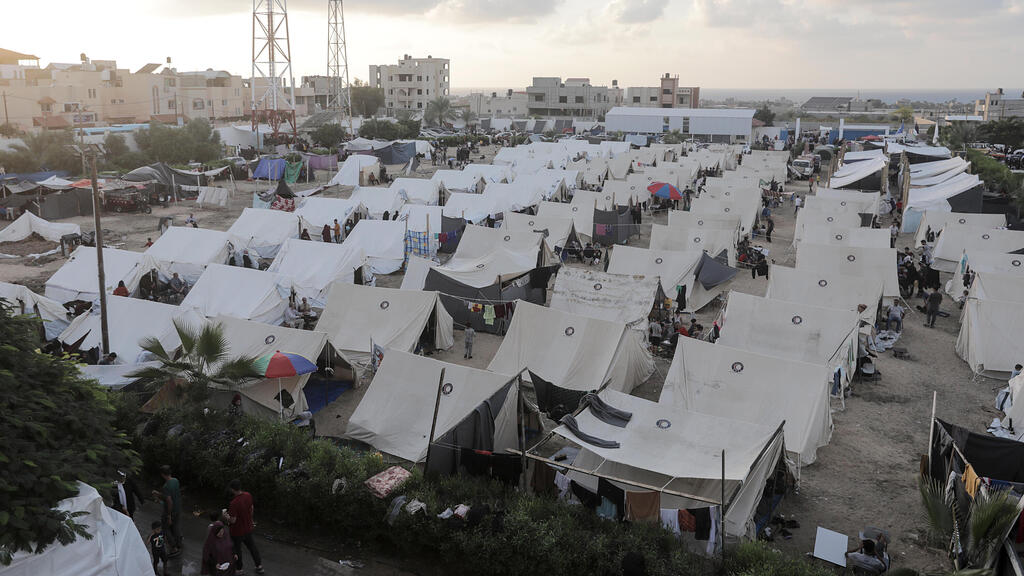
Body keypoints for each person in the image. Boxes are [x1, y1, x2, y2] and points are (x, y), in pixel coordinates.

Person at [226, 479, 264, 575]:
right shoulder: (248, 495)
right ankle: (259, 566)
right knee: (252, 547)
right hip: (248, 528)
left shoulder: (234, 503)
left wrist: (226, 516)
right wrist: (250, 519)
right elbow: (251, 508)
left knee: (237, 550)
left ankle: (239, 569)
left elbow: (233, 520)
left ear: (232, 489)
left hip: (237, 532)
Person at [157, 465, 182, 556]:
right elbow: (170, 496)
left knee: (165, 528)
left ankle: (174, 548)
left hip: (170, 510)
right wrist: (159, 494)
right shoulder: (176, 480)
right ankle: (179, 543)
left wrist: (169, 515)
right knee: (176, 526)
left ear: (163, 474)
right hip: (178, 508)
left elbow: (169, 501)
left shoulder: (166, 486)